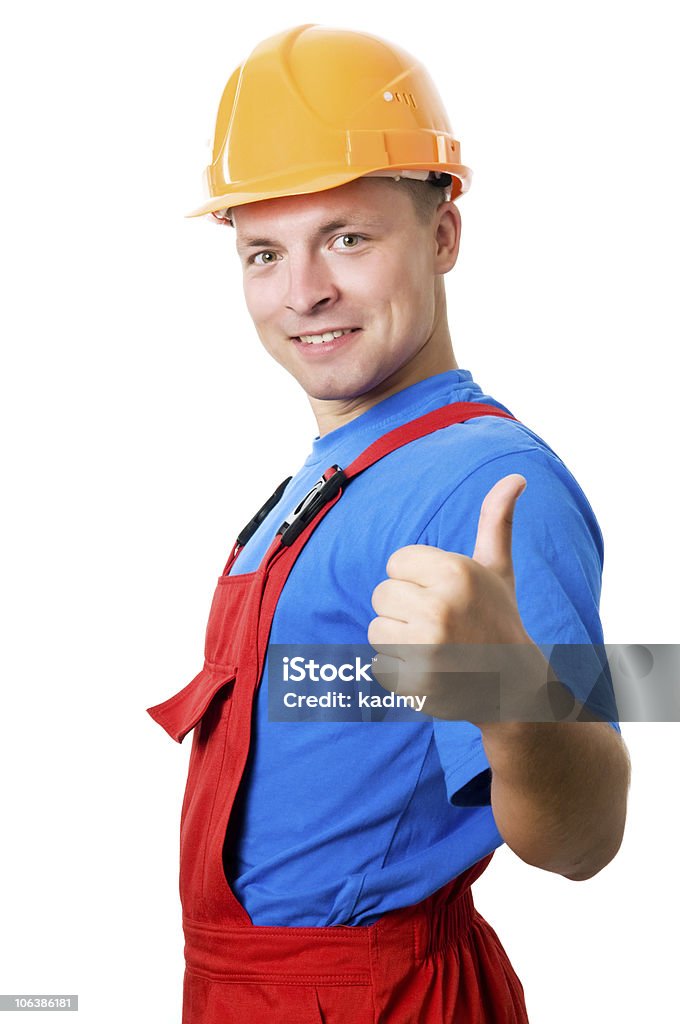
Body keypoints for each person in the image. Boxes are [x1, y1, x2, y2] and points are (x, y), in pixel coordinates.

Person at [147, 24, 631, 1023]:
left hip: (368, 1000)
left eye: (348, 237)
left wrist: (508, 688)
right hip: (255, 991)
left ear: (442, 235)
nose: (303, 291)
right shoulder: (336, 474)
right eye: (263, 252)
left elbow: (585, 837)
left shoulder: (482, 482)